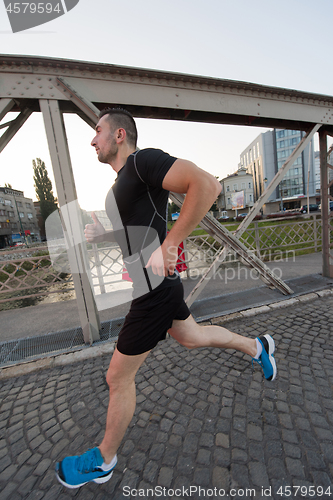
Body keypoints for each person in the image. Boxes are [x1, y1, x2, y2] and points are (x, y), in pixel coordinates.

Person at [55, 108, 277, 489]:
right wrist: (102, 237)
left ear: (120, 134)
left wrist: (172, 242)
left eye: (97, 131)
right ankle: (258, 347)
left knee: (117, 376)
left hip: (154, 291)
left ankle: (104, 459)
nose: (92, 140)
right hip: (156, 286)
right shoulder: (121, 185)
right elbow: (139, 235)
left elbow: (207, 184)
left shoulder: (143, 161)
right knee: (192, 337)